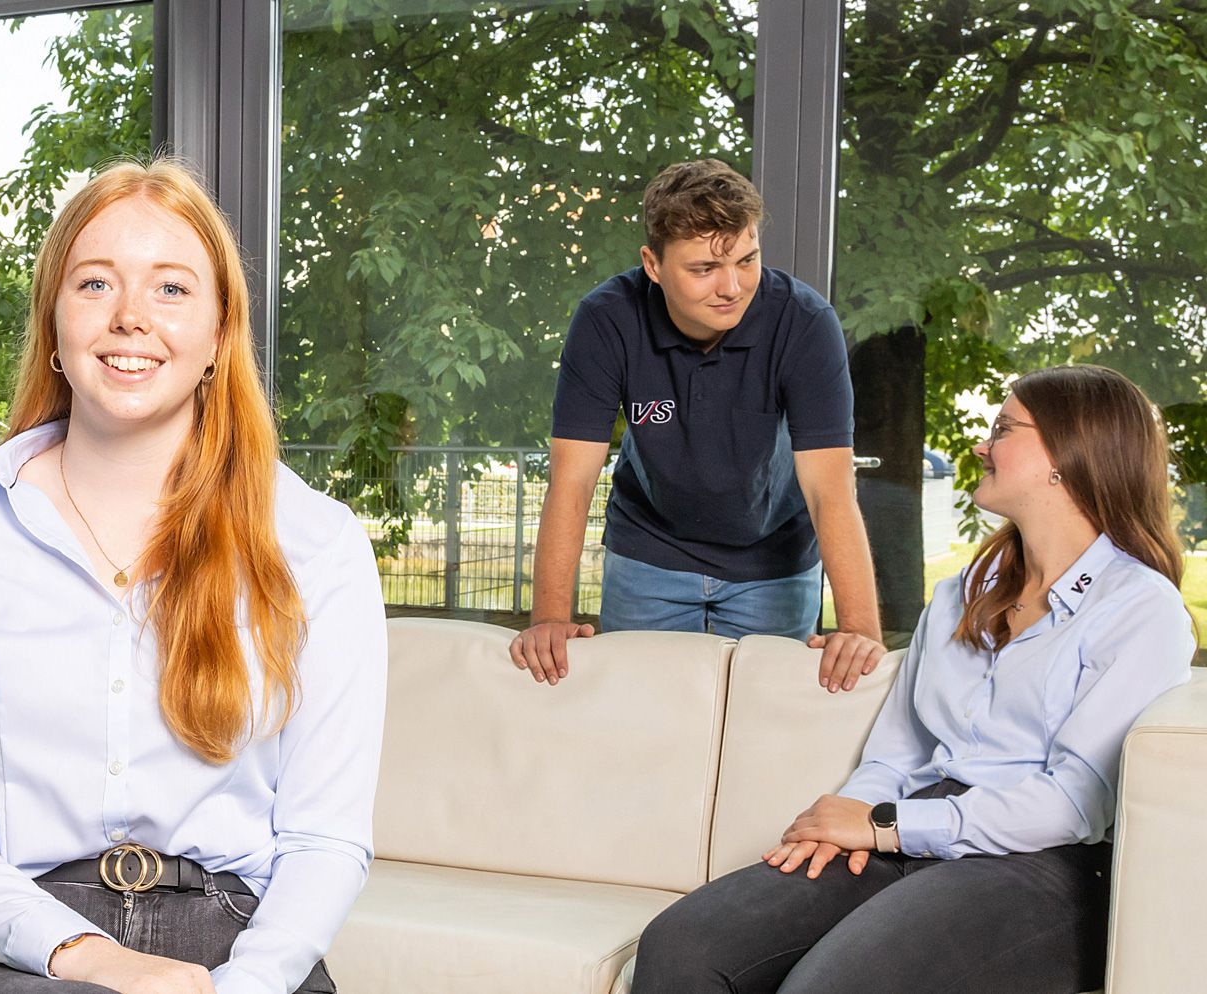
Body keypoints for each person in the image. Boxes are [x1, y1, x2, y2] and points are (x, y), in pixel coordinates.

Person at [0, 160, 386, 994]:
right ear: (54, 321)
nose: (129, 318)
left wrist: (239, 989)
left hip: (238, 941)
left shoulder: (318, 545)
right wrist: (100, 963)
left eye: (172, 290)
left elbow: (324, 841)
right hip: (12, 945)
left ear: (221, 334)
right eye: (95, 284)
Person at [631, 364, 1195, 993]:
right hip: (910, 824)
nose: (982, 445)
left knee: (834, 985)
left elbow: (1071, 804)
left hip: (1043, 864)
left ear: (1067, 456)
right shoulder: (961, 595)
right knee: (683, 946)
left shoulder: (1140, 610)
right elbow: (900, 752)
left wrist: (882, 826)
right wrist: (847, 819)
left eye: (1004, 429)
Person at [510, 158, 887, 691]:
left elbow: (830, 489)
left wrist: (860, 630)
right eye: (704, 269)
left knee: (761, 728)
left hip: (772, 559)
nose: (732, 287)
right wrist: (549, 617)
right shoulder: (606, 320)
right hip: (649, 555)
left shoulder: (806, 323)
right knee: (637, 720)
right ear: (653, 264)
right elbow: (572, 479)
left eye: (747, 260)